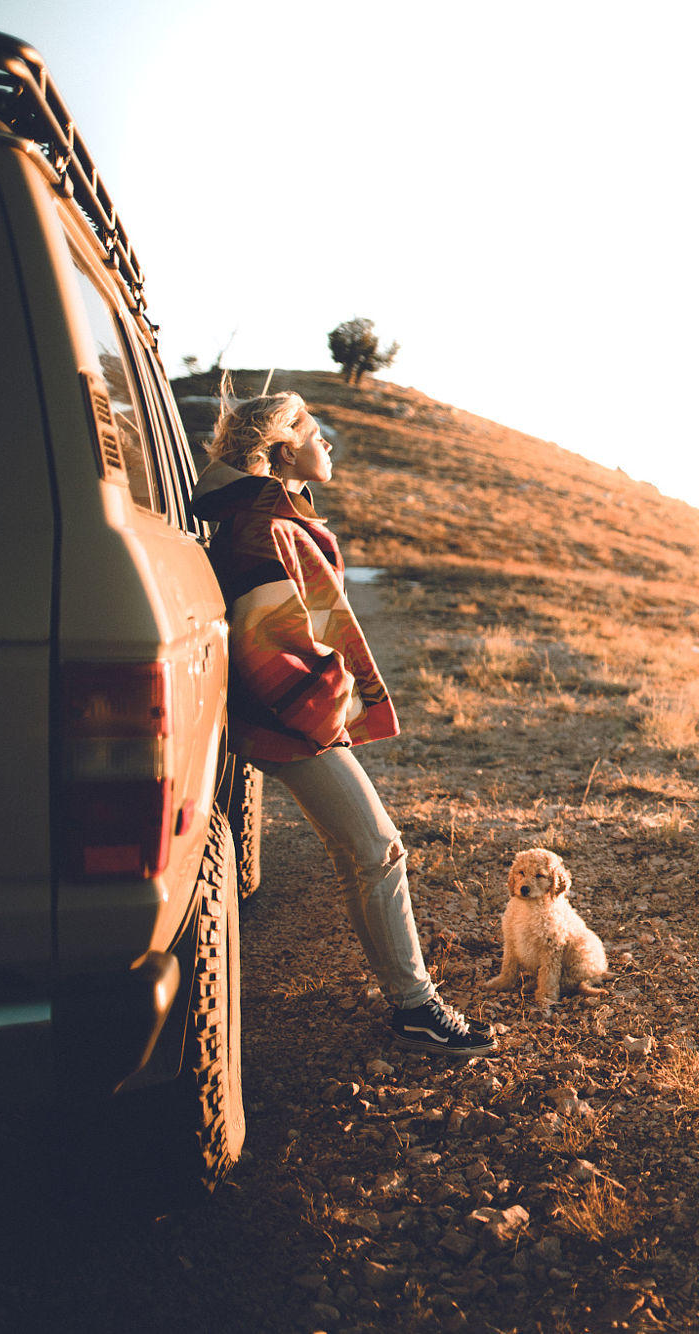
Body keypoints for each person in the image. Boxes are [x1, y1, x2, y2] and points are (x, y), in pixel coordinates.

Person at [192, 378, 493, 1056]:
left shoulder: (274, 514)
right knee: (378, 847)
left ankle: (408, 999)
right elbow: (272, 645)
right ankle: (415, 1006)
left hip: (288, 715)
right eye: (311, 431)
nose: (324, 440)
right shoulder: (265, 525)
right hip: (287, 718)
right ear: (281, 450)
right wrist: (322, 710)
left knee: (361, 850)